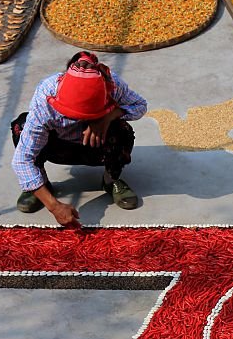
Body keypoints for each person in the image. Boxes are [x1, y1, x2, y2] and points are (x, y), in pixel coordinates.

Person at [11, 51, 147, 227]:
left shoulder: (112, 84)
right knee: (21, 128)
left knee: (123, 130)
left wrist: (106, 118)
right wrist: (54, 206)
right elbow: (22, 159)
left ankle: (110, 180)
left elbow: (140, 106)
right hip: (56, 145)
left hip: (95, 146)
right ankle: (39, 186)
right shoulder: (46, 93)